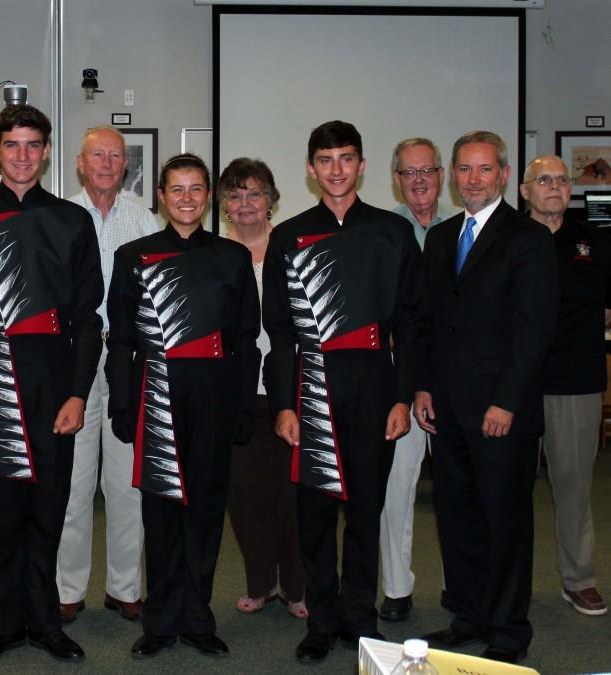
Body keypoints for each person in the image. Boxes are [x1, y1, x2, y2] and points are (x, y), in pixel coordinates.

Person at [0, 104, 102, 664]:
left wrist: (78, 393)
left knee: (49, 506)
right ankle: (6, 622)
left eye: (34, 145)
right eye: (13, 145)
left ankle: (46, 621)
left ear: (47, 151)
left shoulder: (71, 221)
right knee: (2, 510)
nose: (23, 155)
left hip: (54, 382)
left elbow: (88, 319)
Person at [263, 121, 426, 664]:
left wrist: (402, 397)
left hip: (375, 383)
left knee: (364, 506)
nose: (336, 169)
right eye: (326, 160)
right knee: (313, 510)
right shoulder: (289, 235)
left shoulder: (392, 232)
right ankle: (322, 618)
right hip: (312, 384)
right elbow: (280, 331)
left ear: (361, 165)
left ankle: (360, 617)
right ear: (311, 169)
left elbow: (411, 322)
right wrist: (284, 403)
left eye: (347, 158)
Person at [106, 153, 261, 659]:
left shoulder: (231, 257)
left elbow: (244, 341)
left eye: (197, 189)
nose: (187, 198)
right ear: (161, 195)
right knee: (161, 509)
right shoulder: (134, 256)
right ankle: (160, 619)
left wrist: (241, 407)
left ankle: (197, 616)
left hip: (215, 392)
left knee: (205, 508)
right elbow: (123, 341)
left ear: (209, 195)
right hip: (157, 392)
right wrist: (124, 405)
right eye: (177, 189)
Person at [415, 131, 558, 664]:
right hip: (448, 409)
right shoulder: (441, 237)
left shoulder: (527, 238)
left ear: (502, 175)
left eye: (484, 170)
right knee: (457, 518)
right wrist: (425, 385)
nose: (473, 179)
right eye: (464, 170)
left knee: (505, 522)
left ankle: (507, 630)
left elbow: (534, 329)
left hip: (502, 412)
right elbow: (430, 321)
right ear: (452, 175)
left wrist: (507, 402)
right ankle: (469, 616)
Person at [56, 126, 156, 624]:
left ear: (126, 164)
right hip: (73, 362)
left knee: (126, 480)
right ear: (80, 161)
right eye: (97, 154)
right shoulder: (60, 217)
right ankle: (67, 589)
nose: (106, 162)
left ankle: (124, 587)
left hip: (128, 360)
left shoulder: (146, 220)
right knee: (72, 481)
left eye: (115, 155)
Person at [520, 154, 610, 617]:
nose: (554, 187)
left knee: (573, 486)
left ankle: (579, 579)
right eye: (543, 180)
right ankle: (507, 585)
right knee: (509, 490)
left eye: (561, 180)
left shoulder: (593, 242)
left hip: (575, 384)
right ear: (525, 190)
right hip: (514, 386)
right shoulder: (509, 240)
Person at [218, 157, 305, 619]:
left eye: (254, 193)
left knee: (292, 494)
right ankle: (260, 584)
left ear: (271, 198)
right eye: (234, 195)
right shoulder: (214, 252)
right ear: (224, 204)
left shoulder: (292, 248)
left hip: (291, 389)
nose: (245, 203)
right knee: (247, 496)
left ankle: (297, 586)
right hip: (238, 392)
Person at [379, 138, 456, 622]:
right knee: (396, 488)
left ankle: (459, 584)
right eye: (409, 173)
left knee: (457, 490)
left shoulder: (464, 229)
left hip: (454, 382)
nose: (419, 181)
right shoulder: (383, 232)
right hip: (398, 380)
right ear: (395, 179)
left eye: (427, 171)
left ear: (442, 174)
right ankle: (397, 588)